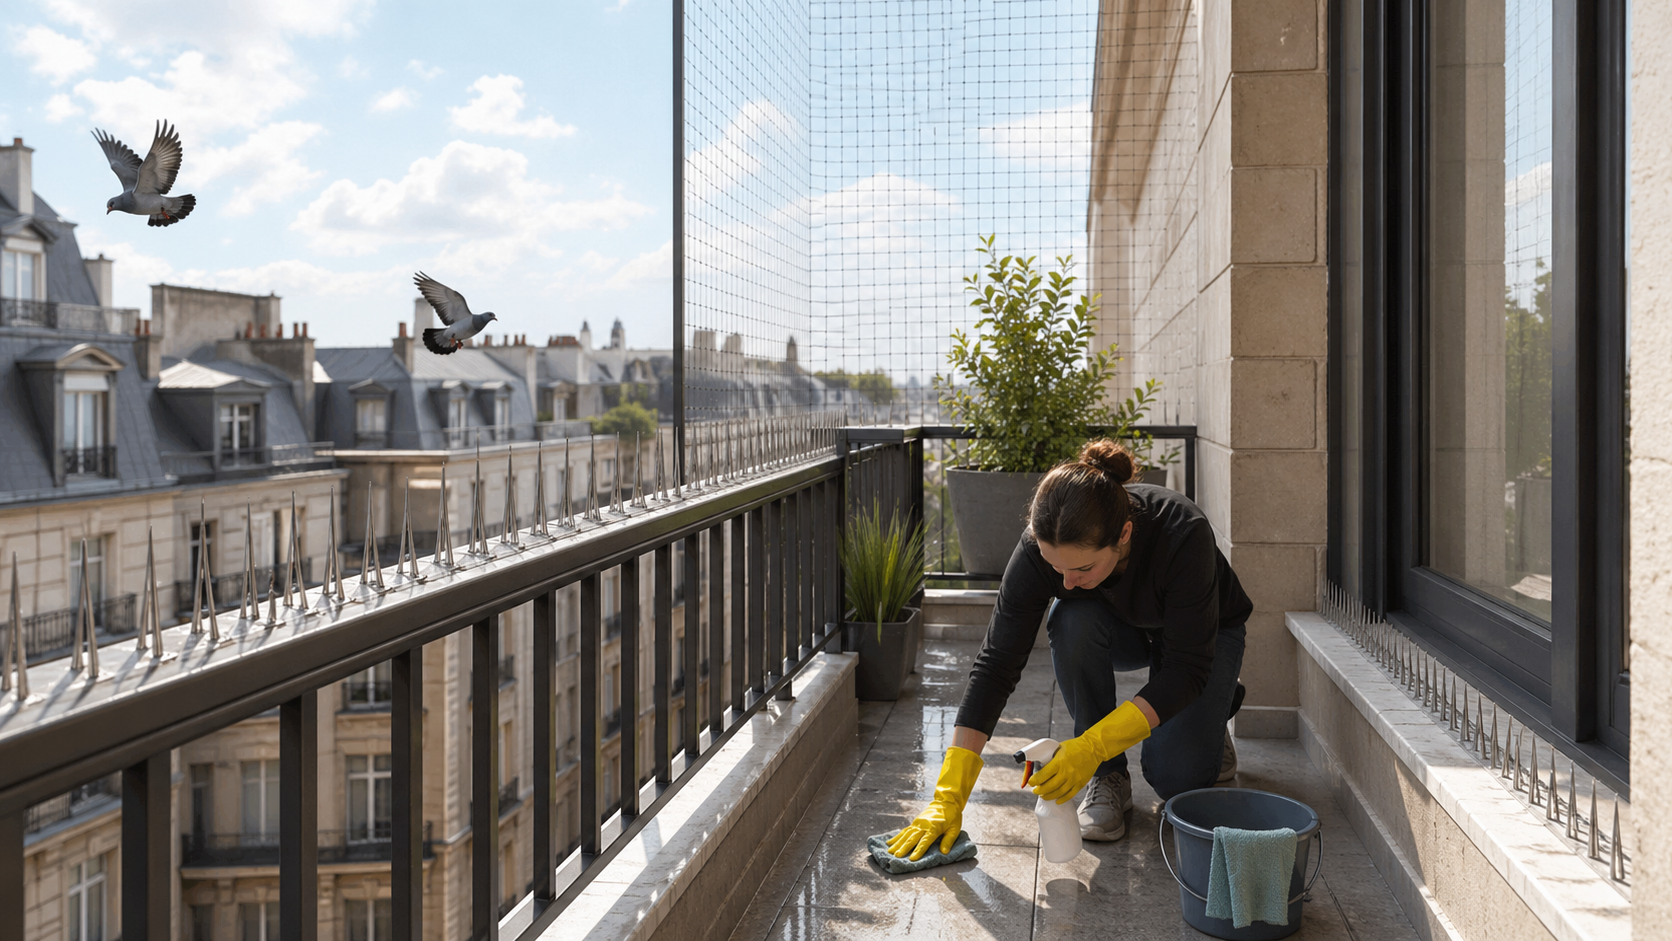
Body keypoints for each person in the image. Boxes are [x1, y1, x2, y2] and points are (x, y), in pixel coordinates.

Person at [888, 439, 1254, 861]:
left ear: (1124, 535)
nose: (1066, 582)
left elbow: (1186, 669)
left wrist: (1090, 744)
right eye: (1056, 567)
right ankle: (1109, 778)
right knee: (1069, 616)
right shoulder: (1040, 550)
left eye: (1082, 568)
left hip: (1204, 638)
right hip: (1124, 628)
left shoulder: (1181, 531)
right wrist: (947, 797)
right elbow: (996, 664)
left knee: (1176, 777)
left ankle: (1216, 708)